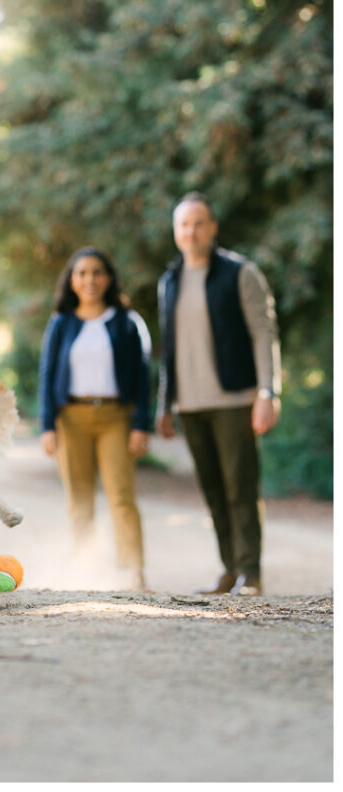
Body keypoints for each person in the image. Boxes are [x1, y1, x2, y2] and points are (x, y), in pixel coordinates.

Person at [156, 192, 281, 596]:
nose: (190, 231)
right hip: (190, 405)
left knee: (241, 488)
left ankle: (251, 573)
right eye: (183, 225)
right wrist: (165, 403)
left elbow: (264, 332)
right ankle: (229, 570)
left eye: (198, 223)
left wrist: (267, 391)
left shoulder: (240, 272)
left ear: (212, 227)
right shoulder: (169, 281)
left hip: (234, 399)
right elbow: (169, 347)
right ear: (176, 232)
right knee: (212, 491)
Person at [38, 246, 152, 590]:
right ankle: (84, 572)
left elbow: (143, 377)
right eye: (82, 273)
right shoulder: (61, 323)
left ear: (108, 279)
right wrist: (47, 425)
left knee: (121, 496)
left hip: (115, 417)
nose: (90, 279)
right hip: (71, 418)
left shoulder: (126, 322)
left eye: (97, 272)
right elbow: (48, 373)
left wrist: (140, 425)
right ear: (72, 280)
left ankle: (134, 572)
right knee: (79, 499)